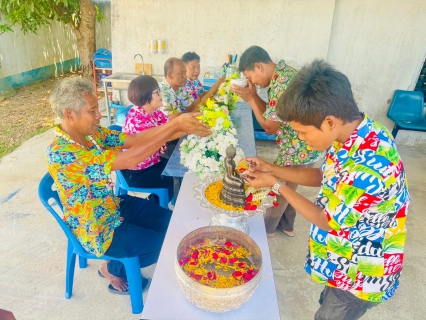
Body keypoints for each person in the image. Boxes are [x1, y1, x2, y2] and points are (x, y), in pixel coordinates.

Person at [244, 60, 409, 320]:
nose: (300, 138)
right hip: (343, 258)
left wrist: (276, 185)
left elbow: (327, 220)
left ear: (329, 121)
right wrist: (272, 169)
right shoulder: (351, 134)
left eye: (301, 132)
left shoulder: (370, 164)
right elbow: (325, 176)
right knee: (328, 301)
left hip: (363, 271)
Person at [46, 77, 210, 294]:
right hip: (96, 227)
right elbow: (130, 159)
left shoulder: (91, 135)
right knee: (163, 244)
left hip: (111, 205)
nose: (99, 115)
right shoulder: (63, 153)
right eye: (93, 110)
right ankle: (111, 267)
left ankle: (119, 262)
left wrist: (176, 128)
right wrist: (173, 126)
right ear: (69, 114)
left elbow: (136, 139)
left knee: (172, 224)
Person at [232, 45, 323, 238]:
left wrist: (249, 99)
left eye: (250, 78)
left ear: (259, 66)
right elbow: (273, 113)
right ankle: (287, 226)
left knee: (279, 190)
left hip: (298, 147)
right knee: (291, 185)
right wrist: (254, 95)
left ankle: (267, 230)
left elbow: (269, 126)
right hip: (304, 147)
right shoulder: (284, 74)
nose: (251, 83)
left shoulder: (282, 85)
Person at [121, 75, 173, 202]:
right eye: (157, 92)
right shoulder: (137, 121)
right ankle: (154, 204)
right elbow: (167, 133)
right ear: (145, 97)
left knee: (176, 170)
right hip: (138, 172)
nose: (161, 94)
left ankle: (162, 200)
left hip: (153, 161)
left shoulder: (153, 112)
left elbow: (169, 125)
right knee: (172, 179)